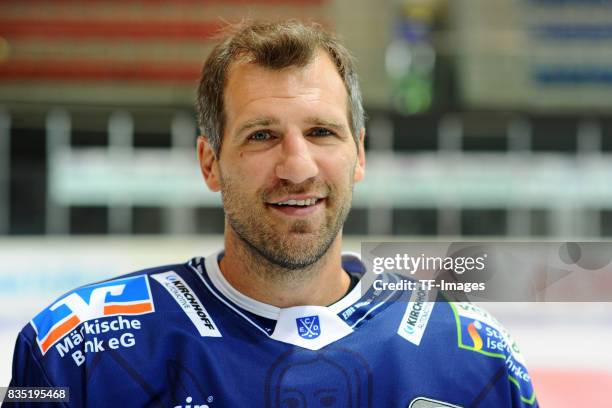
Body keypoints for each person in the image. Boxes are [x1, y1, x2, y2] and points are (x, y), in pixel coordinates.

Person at [6, 20, 538, 407]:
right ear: (210, 162)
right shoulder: (71, 352)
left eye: (321, 132)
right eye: (262, 136)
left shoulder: (475, 359)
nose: (297, 166)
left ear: (360, 154)